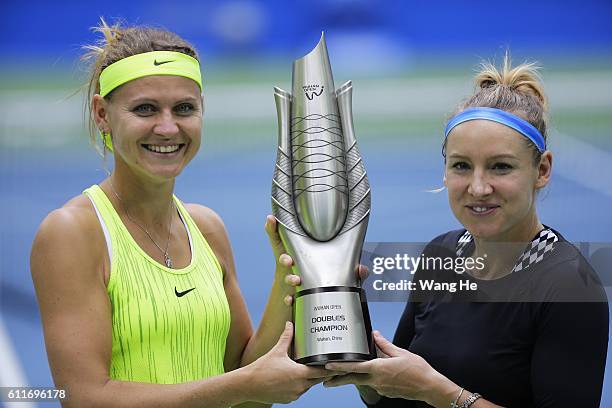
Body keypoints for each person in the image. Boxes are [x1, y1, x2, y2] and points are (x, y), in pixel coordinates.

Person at [30, 19, 336, 407]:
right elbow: (85, 399)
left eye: (184, 108)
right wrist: (243, 386)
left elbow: (248, 381)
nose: (168, 127)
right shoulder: (71, 232)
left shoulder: (206, 227)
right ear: (102, 114)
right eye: (145, 109)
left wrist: (290, 277)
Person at [322, 57, 609, 407]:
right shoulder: (439, 255)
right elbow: (398, 398)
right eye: (461, 166)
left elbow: (426, 388)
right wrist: (362, 364)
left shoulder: (569, 286)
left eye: (500, 167)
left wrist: (441, 392)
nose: (477, 187)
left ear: (542, 170)